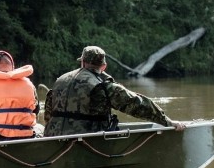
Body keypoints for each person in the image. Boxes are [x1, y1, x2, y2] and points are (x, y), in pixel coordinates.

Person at [43, 45, 186, 136]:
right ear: (104, 66)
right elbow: (136, 104)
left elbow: (48, 112)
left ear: (82, 62)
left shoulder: (60, 80)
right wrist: (167, 121)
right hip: (86, 141)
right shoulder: (103, 86)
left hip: (53, 137)